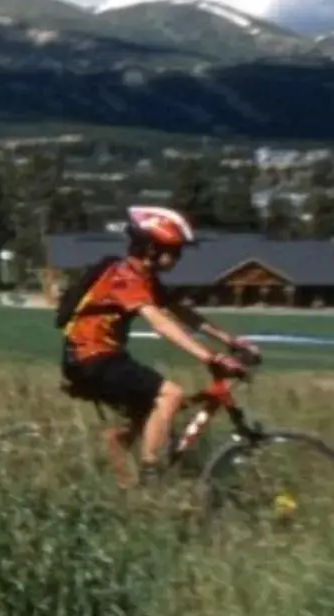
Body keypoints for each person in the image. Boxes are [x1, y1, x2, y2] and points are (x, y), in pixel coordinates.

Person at [61, 205, 253, 486]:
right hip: (90, 357)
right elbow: (159, 322)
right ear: (151, 248)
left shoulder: (143, 278)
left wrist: (231, 341)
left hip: (104, 356)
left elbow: (181, 312)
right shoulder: (123, 277)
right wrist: (210, 357)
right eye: (173, 251)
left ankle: (125, 480)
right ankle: (151, 482)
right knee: (170, 396)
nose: (178, 257)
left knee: (145, 415)